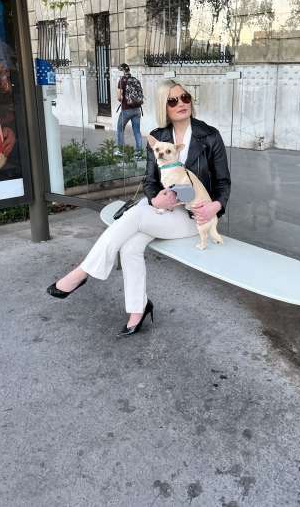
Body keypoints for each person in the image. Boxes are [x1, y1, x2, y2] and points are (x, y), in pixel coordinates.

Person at [47, 79, 231, 336]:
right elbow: (150, 181)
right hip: (161, 210)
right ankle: (138, 308)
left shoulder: (209, 136)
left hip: (193, 215)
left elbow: (223, 182)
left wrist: (215, 207)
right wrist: (155, 199)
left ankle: (82, 272)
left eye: (185, 97)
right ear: (163, 106)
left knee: (135, 216)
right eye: (173, 100)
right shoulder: (159, 137)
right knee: (130, 246)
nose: (181, 103)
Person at [115, 63, 144, 159]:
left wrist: (122, 99)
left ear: (122, 71)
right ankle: (139, 153)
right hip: (137, 109)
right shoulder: (135, 80)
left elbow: (119, 97)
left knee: (120, 129)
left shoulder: (122, 80)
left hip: (126, 110)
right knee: (137, 131)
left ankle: (120, 150)